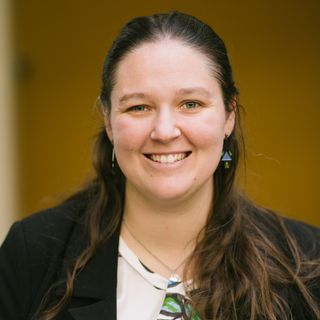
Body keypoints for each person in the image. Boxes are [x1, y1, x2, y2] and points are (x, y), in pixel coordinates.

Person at [0, 11, 319, 320]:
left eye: (191, 104)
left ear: (229, 115)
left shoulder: (307, 261)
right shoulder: (33, 254)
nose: (165, 131)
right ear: (108, 122)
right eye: (139, 107)